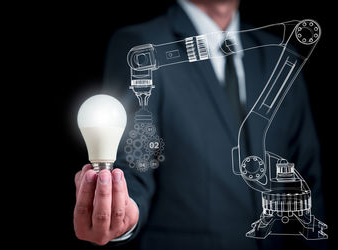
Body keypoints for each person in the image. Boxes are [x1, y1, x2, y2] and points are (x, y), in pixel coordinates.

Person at [73, 0, 326, 249]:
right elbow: (135, 159)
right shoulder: (143, 45)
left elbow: (307, 172)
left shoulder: (278, 55)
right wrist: (122, 216)